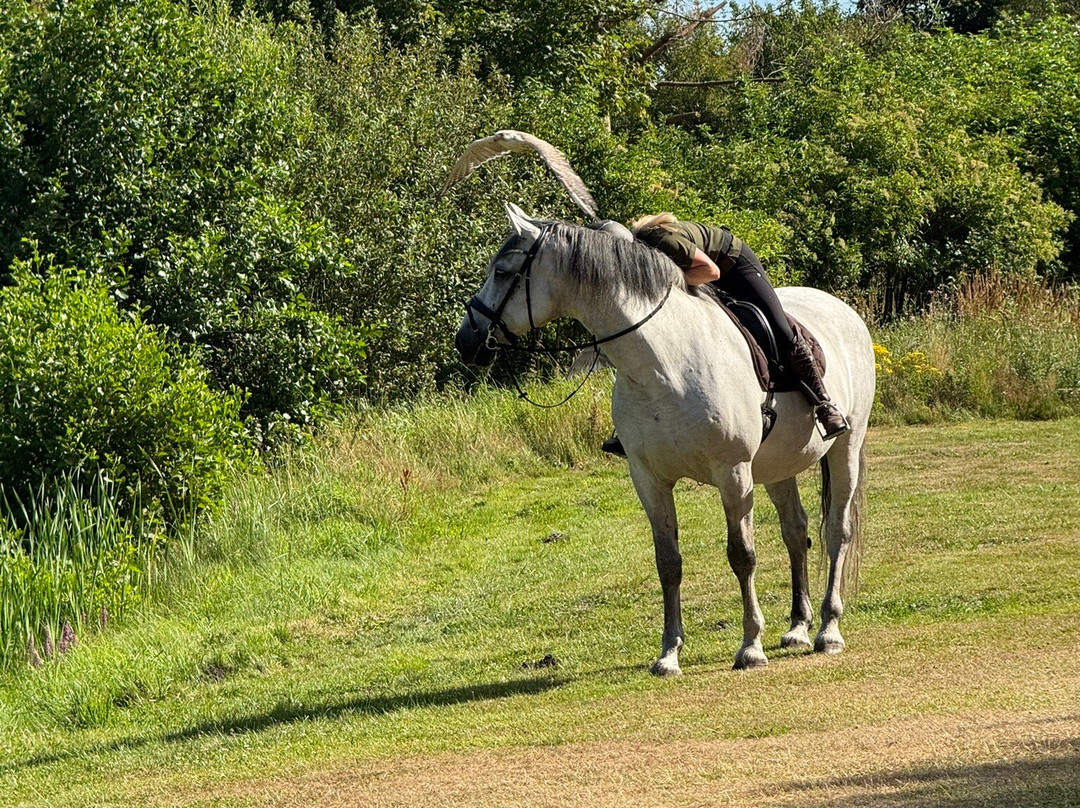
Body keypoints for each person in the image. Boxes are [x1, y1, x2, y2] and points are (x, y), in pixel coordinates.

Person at [601, 213, 849, 457]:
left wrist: (671, 282)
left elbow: (710, 271)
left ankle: (824, 404)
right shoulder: (636, 262)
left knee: (780, 327)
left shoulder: (661, 241)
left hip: (732, 265)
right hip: (700, 274)